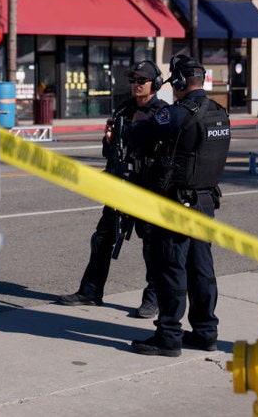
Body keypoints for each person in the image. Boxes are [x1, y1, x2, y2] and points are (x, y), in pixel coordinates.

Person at [123, 54, 231, 357]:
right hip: (206, 202)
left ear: (181, 82)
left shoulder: (179, 113)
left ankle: (169, 335)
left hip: (178, 204)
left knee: (171, 267)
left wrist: (135, 125)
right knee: (202, 268)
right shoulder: (219, 113)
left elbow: (138, 135)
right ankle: (206, 332)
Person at [58, 60, 169, 318]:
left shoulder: (162, 113)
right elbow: (110, 151)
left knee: (151, 245)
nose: (135, 85)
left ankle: (153, 298)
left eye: (141, 80)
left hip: (146, 189)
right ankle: (90, 291)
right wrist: (109, 140)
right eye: (133, 80)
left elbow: (166, 153)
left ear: (156, 84)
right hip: (120, 185)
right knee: (102, 238)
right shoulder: (123, 110)